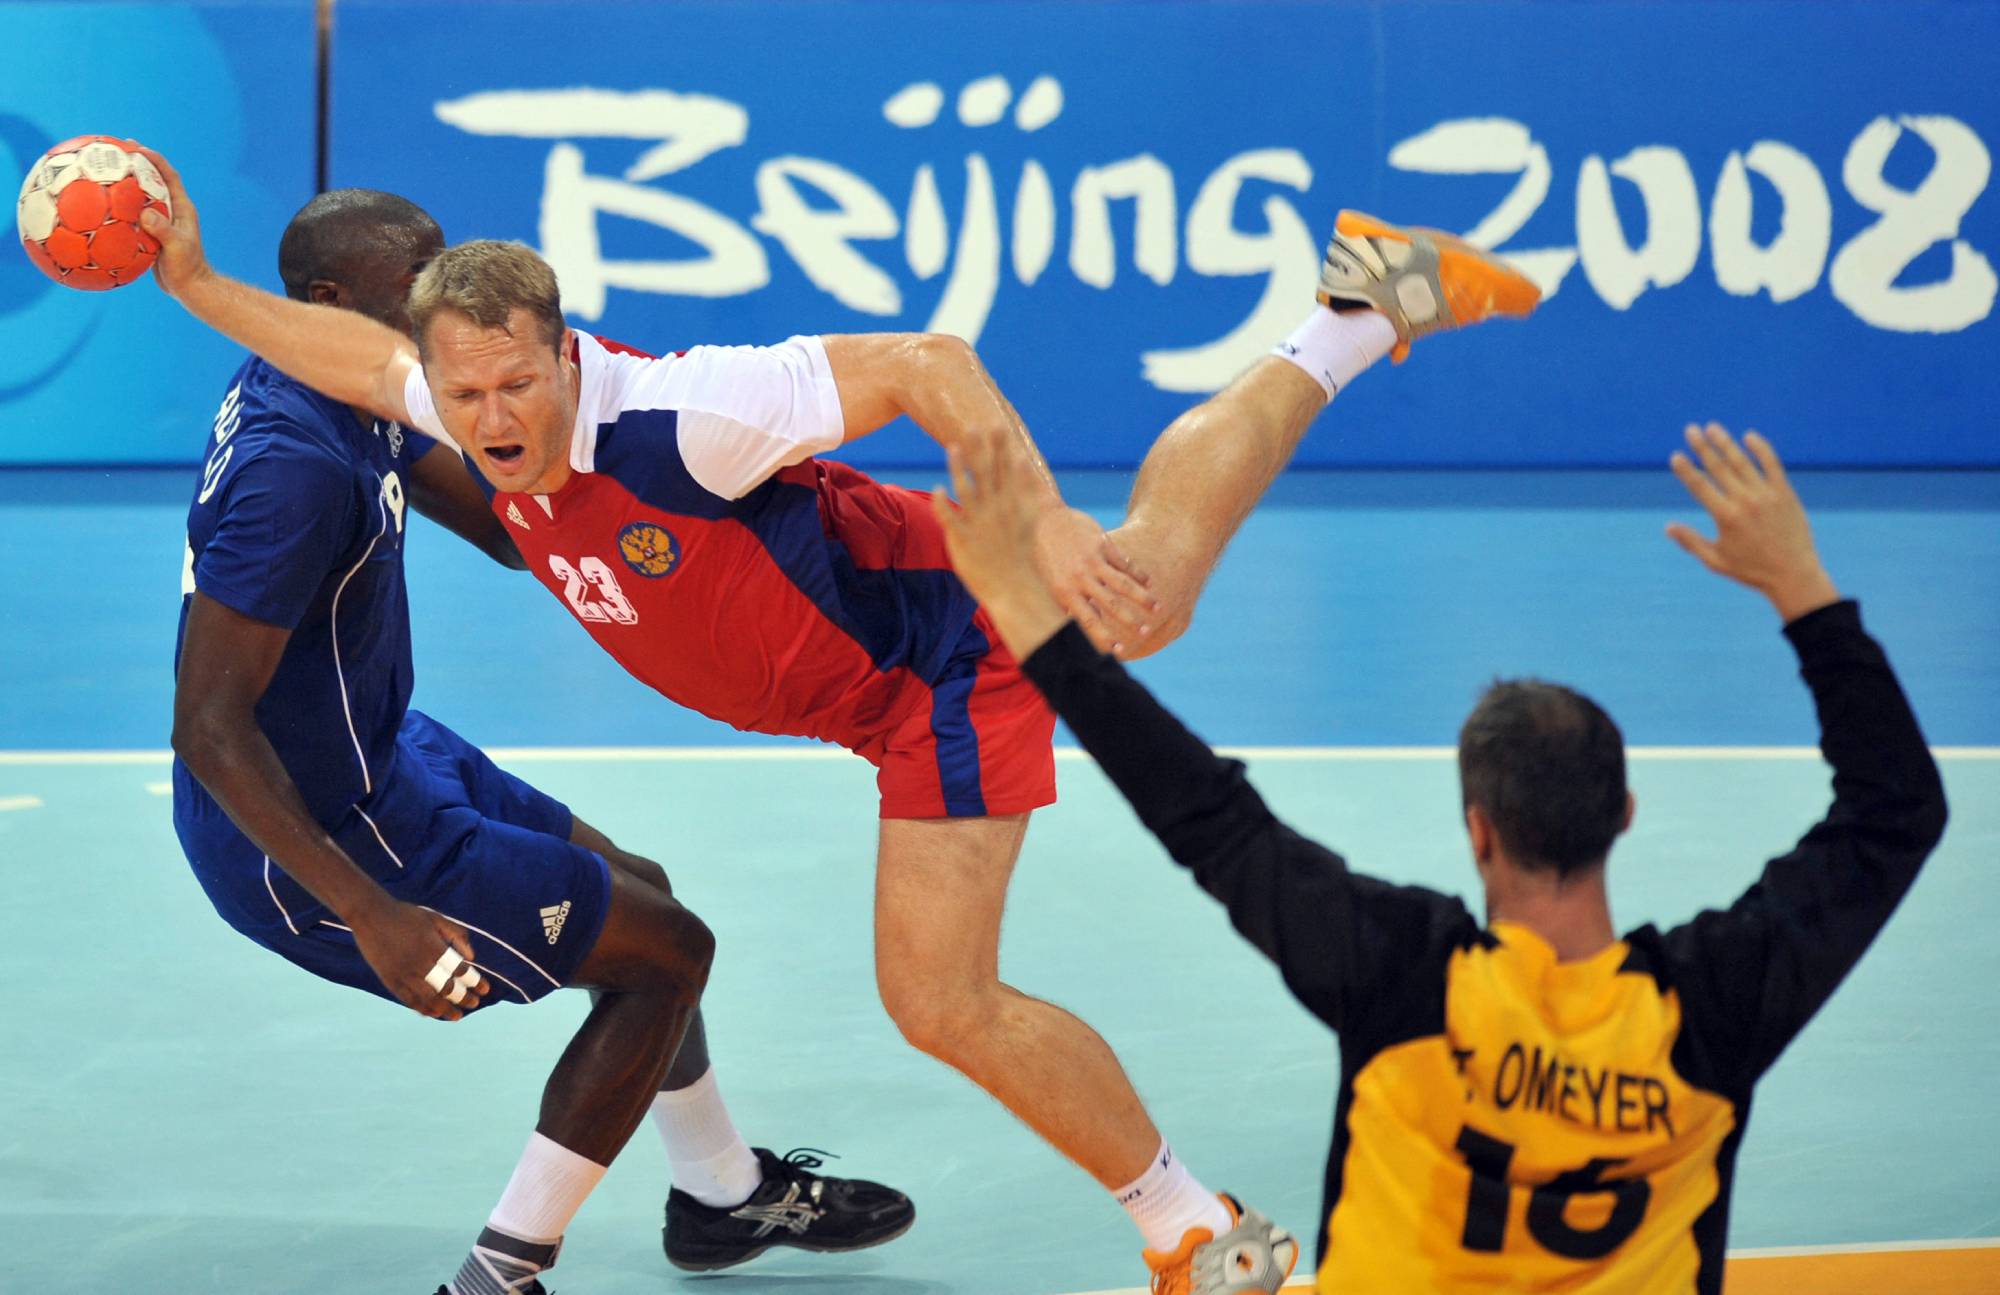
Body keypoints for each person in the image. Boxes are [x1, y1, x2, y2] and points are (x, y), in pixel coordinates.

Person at [133, 142, 1537, 1292]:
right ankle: (1355, 306)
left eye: (514, 385)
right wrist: (190, 279)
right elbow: (336, 349)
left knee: (946, 990)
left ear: (563, 356)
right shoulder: (447, 387)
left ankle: (1198, 1234)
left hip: (940, 661)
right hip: (857, 676)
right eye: (462, 394)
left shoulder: (686, 419)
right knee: (1142, 593)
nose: (489, 418)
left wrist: (1034, 525)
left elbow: (929, 362)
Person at [932, 419, 1948, 1293]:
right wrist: (1803, 591)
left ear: (1477, 828)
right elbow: (1894, 809)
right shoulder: (1710, 1007)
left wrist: (1028, 611)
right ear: (1625, 813)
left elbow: (1205, 812)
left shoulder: (1405, 976)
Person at [169, 187, 912, 1295]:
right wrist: (371, 911)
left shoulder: (340, 377)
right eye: (412, 288)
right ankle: (500, 1276)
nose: (440, 307)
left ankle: (718, 1195)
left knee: (641, 888)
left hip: (381, 751)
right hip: (308, 826)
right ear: (329, 297)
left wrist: (619, 461)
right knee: (669, 954)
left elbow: (507, 527)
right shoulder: (295, 471)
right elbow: (208, 725)